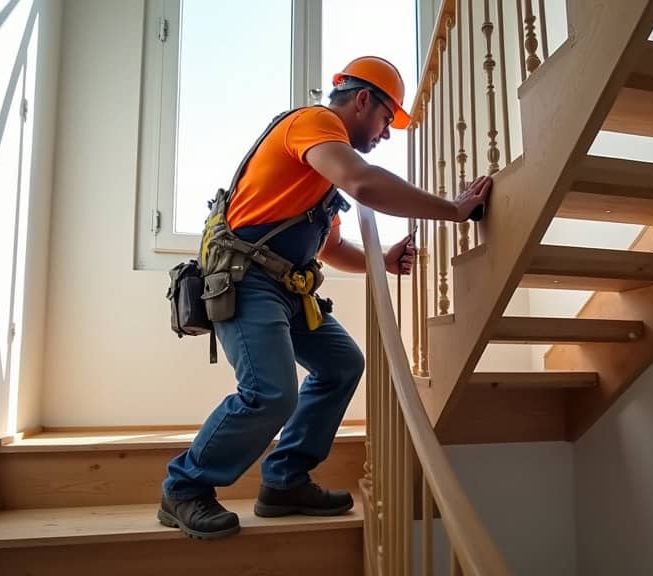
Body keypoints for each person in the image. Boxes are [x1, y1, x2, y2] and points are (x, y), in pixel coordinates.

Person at [158, 56, 492, 539]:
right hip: (246, 280)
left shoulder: (319, 176)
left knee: (342, 365)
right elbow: (365, 182)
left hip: (288, 289)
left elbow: (332, 247)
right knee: (270, 394)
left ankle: (285, 481)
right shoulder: (312, 125)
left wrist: (386, 259)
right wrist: (454, 210)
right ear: (362, 101)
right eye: (385, 120)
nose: (385, 134)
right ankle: (184, 488)